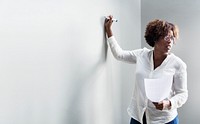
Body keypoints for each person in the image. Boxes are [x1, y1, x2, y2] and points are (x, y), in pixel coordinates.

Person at [104, 15, 188, 124]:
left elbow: (183, 94)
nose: (170, 42)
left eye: (172, 38)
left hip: (164, 120)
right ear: (155, 38)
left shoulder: (178, 64)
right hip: (138, 116)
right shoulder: (142, 55)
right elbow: (119, 55)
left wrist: (168, 103)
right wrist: (109, 30)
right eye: (166, 37)